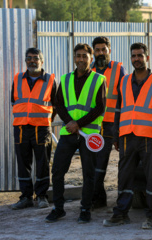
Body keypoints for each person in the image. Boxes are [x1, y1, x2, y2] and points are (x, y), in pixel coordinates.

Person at [103, 42, 152, 229]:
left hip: (149, 139)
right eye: (133, 56)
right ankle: (121, 213)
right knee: (124, 177)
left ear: (147, 57)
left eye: (140, 55)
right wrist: (116, 136)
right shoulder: (123, 82)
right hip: (126, 138)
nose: (137, 59)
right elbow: (118, 111)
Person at [45, 43, 107, 224]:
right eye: (78, 56)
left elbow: (100, 107)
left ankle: (85, 209)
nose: (81, 59)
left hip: (89, 135)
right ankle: (58, 209)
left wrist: (78, 124)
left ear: (91, 58)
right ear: (74, 58)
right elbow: (59, 104)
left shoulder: (99, 79)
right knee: (57, 171)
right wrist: (70, 124)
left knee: (88, 173)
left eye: (84, 56)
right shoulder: (64, 79)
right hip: (69, 132)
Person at [11, 48, 57, 210]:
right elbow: (14, 101)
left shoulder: (50, 79)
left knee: (42, 162)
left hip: (42, 128)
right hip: (21, 127)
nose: (32, 61)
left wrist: (46, 119)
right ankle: (26, 197)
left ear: (41, 61)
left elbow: (55, 104)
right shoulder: (17, 79)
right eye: (29, 58)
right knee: (23, 163)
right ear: (25, 61)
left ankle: (42, 196)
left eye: (36, 58)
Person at [91, 36, 126, 208]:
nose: (100, 53)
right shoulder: (88, 69)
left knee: (124, 163)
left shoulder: (119, 68)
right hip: (95, 125)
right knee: (98, 163)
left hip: (115, 123)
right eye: (97, 50)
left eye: (103, 49)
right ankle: (98, 198)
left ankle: (123, 199)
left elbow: (125, 95)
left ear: (109, 50)